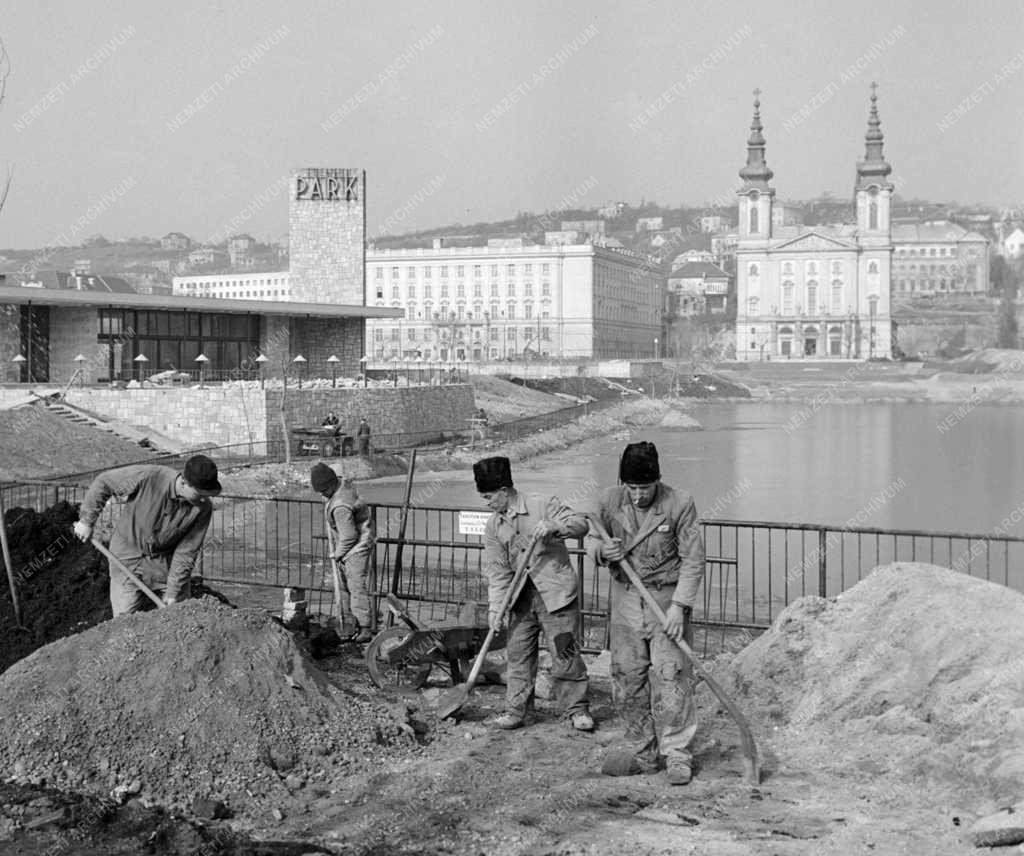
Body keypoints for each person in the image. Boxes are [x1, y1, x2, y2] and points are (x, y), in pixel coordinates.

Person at [586, 441, 705, 785]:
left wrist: (680, 608)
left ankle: (677, 754)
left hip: (665, 601)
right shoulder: (609, 500)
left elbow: (693, 561)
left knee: (671, 676)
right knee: (627, 678)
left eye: (645, 488)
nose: (638, 496)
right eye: (632, 487)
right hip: (625, 600)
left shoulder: (680, 503)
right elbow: (592, 540)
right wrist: (602, 551)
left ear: (658, 481)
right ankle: (643, 752)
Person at [474, 455, 594, 732]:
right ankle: (518, 711)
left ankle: (576, 711)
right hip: (520, 599)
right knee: (517, 655)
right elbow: (497, 571)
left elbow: (581, 524)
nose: (487, 503)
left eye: (489, 496)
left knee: (565, 653)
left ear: (505, 491)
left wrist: (556, 527)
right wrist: (496, 609)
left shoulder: (543, 504)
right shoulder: (494, 525)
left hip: (556, 596)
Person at [71, 455, 222, 615]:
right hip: (126, 557)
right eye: (200, 494)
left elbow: (186, 552)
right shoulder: (150, 476)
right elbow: (104, 482)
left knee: (180, 613)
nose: (205, 499)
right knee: (125, 620)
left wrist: (173, 592)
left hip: (163, 562)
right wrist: (87, 521)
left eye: (208, 495)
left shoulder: (202, 509)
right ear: (184, 482)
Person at [311, 463, 376, 643]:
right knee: (342, 585)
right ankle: (348, 623)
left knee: (355, 586)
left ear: (331, 485)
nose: (321, 495)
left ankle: (365, 628)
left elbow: (348, 536)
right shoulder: (341, 485)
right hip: (351, 543)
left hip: (356, 545)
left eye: (323, 491)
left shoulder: (340, 506)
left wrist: (336, 554)